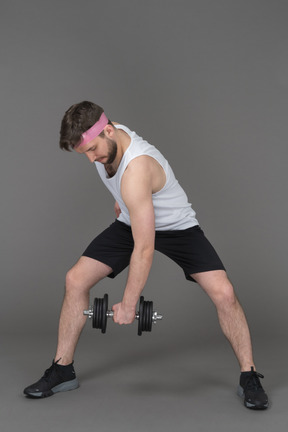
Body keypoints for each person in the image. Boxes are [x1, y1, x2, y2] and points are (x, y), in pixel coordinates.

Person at [24, 101, 268, 409]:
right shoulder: (109, 140)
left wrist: (128, 303)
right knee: (75, 280)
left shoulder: (137, 167)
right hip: (133, 221)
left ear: (109, 131)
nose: (91, 160)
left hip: (178, 229)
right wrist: (123, 202)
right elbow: (126, 193)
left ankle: (249, 375)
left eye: (92, 150)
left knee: (224, 293)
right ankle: (62, 368)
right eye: (84, 153)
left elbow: (144, 247)